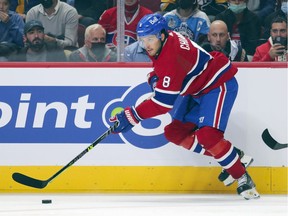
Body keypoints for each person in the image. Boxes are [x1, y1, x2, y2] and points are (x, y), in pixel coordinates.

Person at [109, 13, 260, 200]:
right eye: (142, 39)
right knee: (174, 133)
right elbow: (171, 71)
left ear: (162, 35)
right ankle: (232, 157)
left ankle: (241, 175)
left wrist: (132, 115)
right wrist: (156, 77)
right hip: (197, 89)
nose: (146, 44)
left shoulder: (170, 55)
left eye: (150, 38)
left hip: (217, 84)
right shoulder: (166, 41)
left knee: (208, 136)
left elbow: (163, 103)